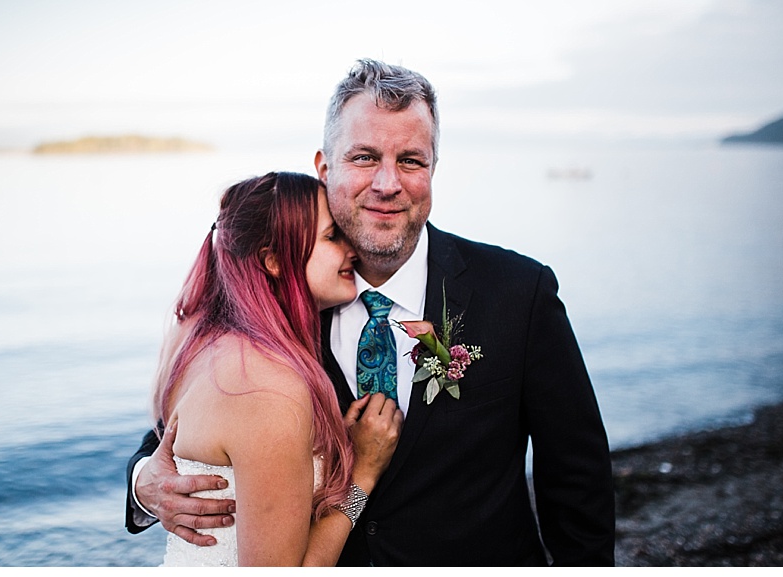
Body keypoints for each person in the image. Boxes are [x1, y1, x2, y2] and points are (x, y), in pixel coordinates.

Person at [127, 60, 615, 566]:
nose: (387, 184)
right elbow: (175, 433)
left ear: (432, 171)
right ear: (324, 168)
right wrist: (146, 484)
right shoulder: (274, 306)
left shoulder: (519, 292)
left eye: (410, 160)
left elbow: (577, 475)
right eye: (364, 157)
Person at [142, 171, 403, 566]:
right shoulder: (266, 390)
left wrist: (143, 477)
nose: (352, 248)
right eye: (332, 236)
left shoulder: (194, 337)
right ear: (275, 260)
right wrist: (362, 475)